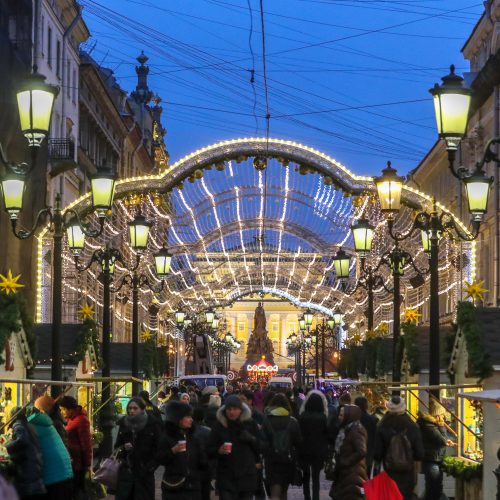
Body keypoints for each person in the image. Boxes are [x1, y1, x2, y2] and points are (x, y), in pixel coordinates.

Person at [208, 394, 265, 500]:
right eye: (229, 409)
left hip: (246, 476)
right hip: (226, 477)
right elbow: (209, 450)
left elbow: (262, 447)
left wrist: (251, 438)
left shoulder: (250, 424)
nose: (232, 412)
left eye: (235, 409)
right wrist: (218, 450)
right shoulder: (219, 425)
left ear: (241, 410)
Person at [374, 396, 424, 500]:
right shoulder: (412, 426)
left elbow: (377, 454)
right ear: (404, 407)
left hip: (388, 472)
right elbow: (420, 454)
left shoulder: (382, 426)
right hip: (408, 473)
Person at [157, 401, 207, 499]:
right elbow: (159, 459)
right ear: (178, 418)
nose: (191, 420)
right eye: (188, 417)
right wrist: (172, 451)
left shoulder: (193, 437)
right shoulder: (167, 437)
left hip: (193, 487)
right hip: (174, 486)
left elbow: (202, 460)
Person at [114, 397, 161, 500]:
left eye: (135, 408)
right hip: (127, 473)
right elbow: (117, 446)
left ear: (142, 409)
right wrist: (123, 447)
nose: (131, 411)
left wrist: (150, 468)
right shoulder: (124, 424)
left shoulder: (152, 424)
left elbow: (158, 449)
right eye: (130, 408)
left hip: (144, 473)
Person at [29, 398, 73, 499]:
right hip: (64, 473)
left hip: (55, 477)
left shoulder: (35, 425)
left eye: (37, 409)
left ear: (42, 410)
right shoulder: (47, 423)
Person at [263, 393, 302, 500]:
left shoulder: (266, 420)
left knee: (274, 490)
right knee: (284, 491)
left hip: (271, 459)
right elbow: (298, 442)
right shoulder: (292, 421)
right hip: (288, 458)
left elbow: (262, 441)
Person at [329, 405, 367, 500]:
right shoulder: (346, 429)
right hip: (345, 474)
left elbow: (361, 451)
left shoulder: (356, 430)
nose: (339, 417)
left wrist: (346, 461)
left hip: (353, 475)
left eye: (342, 415)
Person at [6, 406, 46, 499]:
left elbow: (22, 440)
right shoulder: (29, 425)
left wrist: (7, 447)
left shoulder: (18, 424)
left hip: (28, 468)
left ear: (13, 416)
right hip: (35, 466)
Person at [417, 399, 453, 500]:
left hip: (433, 459)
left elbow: (441, 440)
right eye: (442, 414)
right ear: (437, 415)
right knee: (434, 488)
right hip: (432, 460)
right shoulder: (429, 426)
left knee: (434, 487)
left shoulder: (428, 425)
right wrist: (442, 426)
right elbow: (442, 440)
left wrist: (446, 441)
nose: (443, 417)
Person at [58, 396, 92, 500]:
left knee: (77, 491)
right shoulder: (71, 419)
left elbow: (86, 444)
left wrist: (87, 465)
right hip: (73, 461)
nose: (62, 412)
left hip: (78, 464)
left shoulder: (81, 420)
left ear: (70, 409)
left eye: (63, 409)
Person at [298, 390, 329, 500]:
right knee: (316, 477)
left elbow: (299, 433)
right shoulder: (323, 417)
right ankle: (316, 497)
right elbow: (326, 433)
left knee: (306, 476)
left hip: (304, 449)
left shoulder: (302, 416)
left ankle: (307, 496)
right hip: (318, 450)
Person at [354, 396, 378, 471]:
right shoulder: (372, 420)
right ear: (366, 405)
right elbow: (374, 437)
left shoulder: (353, 419)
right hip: (368, 452)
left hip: (355, 452)